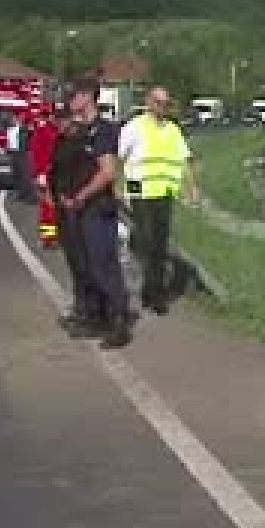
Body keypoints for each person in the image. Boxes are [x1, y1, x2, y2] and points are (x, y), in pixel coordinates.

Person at [52, 78, 131, 349]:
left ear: (88, 97)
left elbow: (107, 172)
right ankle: (95, 317)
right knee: (84, 266)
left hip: (96, 208)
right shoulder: (77, 131)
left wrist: (81, 197)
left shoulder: (103, 130)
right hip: (76, 210)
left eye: (74, 95)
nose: (70, 100)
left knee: (103, 266)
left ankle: (118, 322)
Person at [117, 85, 199, 315]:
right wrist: (119, 187)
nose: (162, 107)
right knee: (148, 241)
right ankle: (155, 293)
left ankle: (152, 290)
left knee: (160, 245)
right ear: (148, 102)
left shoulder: (173, 130)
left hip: (164, 193)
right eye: (157, 102)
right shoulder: (134, 127)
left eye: (165, 103)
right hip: (141, 193)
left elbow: (184, 160)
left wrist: (192, 188)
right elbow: (119, 158)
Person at [29, 102, 61, 249]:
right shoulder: (42, 131)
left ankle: (62, 237)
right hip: (46, 174)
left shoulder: (64, 130)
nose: (58, 118)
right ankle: (48, 238)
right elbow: (36, 153)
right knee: (48, 209)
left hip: (62, 174)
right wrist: (38, 174)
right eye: (55, 115)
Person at [8, 107, 35, 203]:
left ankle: (30, 196)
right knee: (17, 175)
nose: (13, 119)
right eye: (13, 117)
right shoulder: (11, 128)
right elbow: (10, 141)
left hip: (22, 153)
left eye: (15, 117)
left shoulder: (25, 128)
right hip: (13, 153)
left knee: (25, 174)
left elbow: (30, 137)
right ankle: (21, 194)